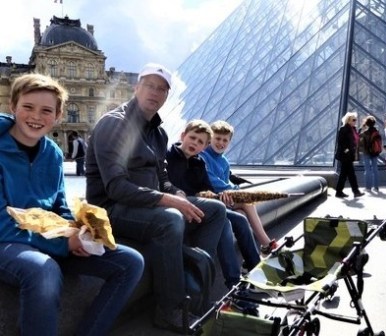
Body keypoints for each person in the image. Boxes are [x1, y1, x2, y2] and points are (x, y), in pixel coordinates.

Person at [85, 63, 227, 333]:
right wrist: (170, 201)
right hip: (111, 209)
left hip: (147, 207)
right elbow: (116, 188)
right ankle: (168, 309)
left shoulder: (159, 133)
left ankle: (193, 281)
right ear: (136, 88)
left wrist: (177, 193)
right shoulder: (113, 124)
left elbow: (163, 178)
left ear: (166, 96)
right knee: (171, 219)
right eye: (149, 85)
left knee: (215, 210)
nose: (155, 92)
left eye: (162, 89)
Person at [0, 73, 144, 336]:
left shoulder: (52, 153)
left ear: (58, 116)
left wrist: (79, 229)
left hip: (44, 237)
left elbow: (58, 205)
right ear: (13, 106)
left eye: (46, 111)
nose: (36, 116)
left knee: (131, 261)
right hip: (5, 241)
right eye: (28, 107)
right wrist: (62, 244)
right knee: (43, 271)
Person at [165, 119, 260, 289]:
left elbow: (206, 190)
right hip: (177, 209)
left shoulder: (198, 163)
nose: (195, 143)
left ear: (204, 147)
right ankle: (234, 282)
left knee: (239, 220)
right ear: (183, 136)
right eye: (193, 138)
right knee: (224, 221)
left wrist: (219, 196)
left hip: (200, 207)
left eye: (200, 141)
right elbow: (164, 184)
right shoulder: (168, 156)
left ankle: (254, 268)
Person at [200, 120, 278, 255]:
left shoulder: (224, 161)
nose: (221, 143)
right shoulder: (202, 155)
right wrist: (234, 189)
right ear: (210, 138)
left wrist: (230, 190)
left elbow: (224, 183)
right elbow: (211, 179)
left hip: (223, 198)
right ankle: (266, 243)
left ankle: (247, 259)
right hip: (209, 197)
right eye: (217, 138)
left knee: (242, 215)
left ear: (229, 143)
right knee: (247, 202)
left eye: (225, 140)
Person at [334, 112, 365, 198]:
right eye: (353, 120)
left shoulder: (353, 129)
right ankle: (355, 191)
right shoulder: (343, 129)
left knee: (345, 174)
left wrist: (360, 129)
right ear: (348, 120)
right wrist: (346, 150)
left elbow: (356, 138)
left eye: (355, 120)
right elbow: (340, 141)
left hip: (349, 155)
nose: (355, 121)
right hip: (345, 155)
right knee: (351, 174)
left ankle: (339, 192)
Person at [359, 116, 380, 192]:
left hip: (366, 152)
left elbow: (359, 141)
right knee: (375, 169)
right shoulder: (377, 132)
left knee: (368, 170)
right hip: (375, 152)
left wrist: (362, 127)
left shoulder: (364, 133)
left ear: (366, 124)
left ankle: (368, 187)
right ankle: (376, 187)